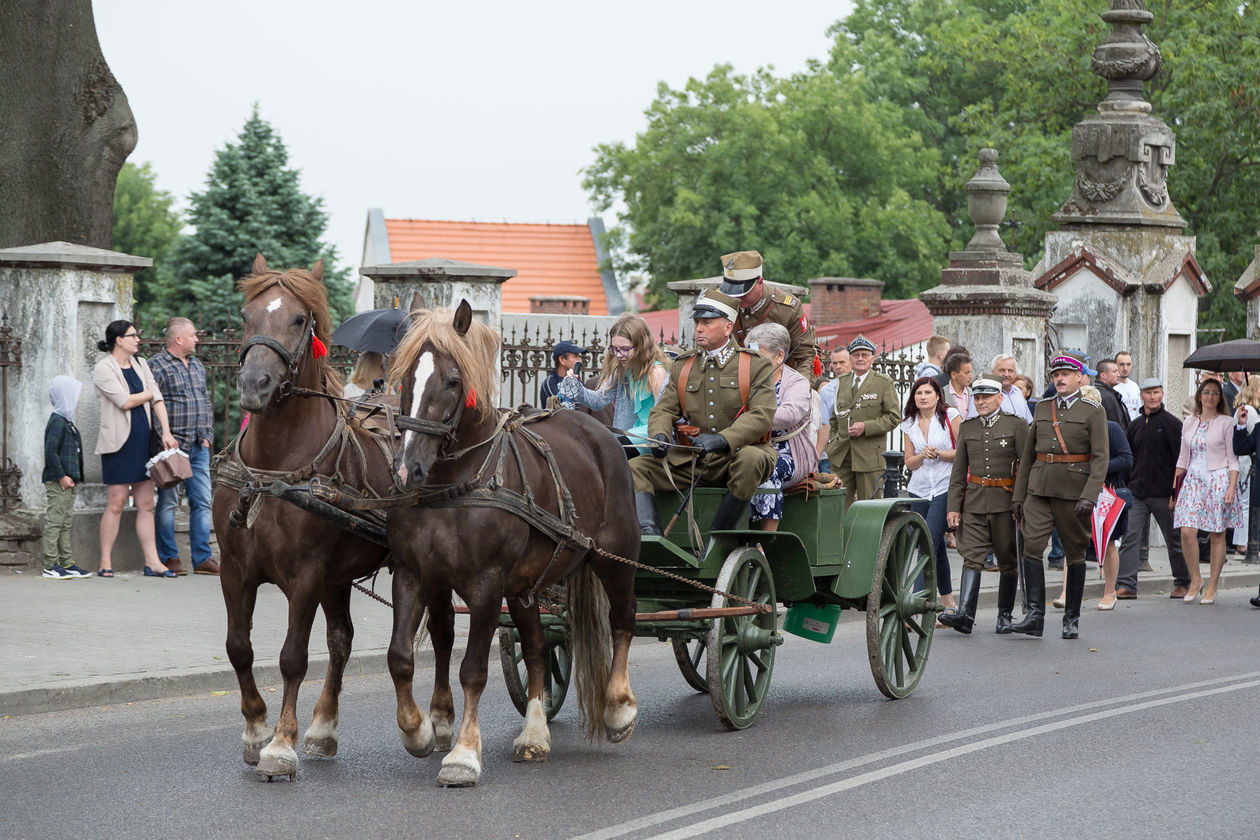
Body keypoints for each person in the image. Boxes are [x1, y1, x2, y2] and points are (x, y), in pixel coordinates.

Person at [632, 290, 776, 536]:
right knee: (636, 466)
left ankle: (718, 539)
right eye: (697, 322)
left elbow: (762, 415)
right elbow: (664, 409)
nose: (699, 328)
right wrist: (660, 436)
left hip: (736, 457)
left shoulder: (755, 364)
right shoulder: (683, 365)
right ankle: (650, 537)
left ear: (728, 327)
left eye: (707, 323)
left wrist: (723, 439)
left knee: (751, 459)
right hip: (692, 460)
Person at [1010, 351, 1109, 640]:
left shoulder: (1093, 410)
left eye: (1065, 374)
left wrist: (1090, 495)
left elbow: (1101, 458)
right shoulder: (1042, 408)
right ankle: (1035, 616)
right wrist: (1019, 496)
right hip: (1039, 490)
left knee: (1075, 553)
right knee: (1030, 547)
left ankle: (1071, 618)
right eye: (1056, 375)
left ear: (1080, 377)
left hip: (1073, 494)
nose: (1060, 378)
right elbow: (1028, 456)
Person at [92, 320, 179, 577]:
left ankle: (153, 562)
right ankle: (105, 562)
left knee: (146, 504)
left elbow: (158, 398)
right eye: (132, 336)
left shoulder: (141, 364)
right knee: (117, 503)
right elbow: (125, 401)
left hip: (145, 443)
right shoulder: (103, 368)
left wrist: (166, 432)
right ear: (118, 340)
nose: (137, 339)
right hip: (118, 444)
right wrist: (149, 393)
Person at [943, 375, 1028, 634]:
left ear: (999, 398)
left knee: (1007, 560)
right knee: (972, 558)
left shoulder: (1016, 425)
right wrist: (953, 507)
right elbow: (959, 472)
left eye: (986, 397)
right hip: (976, 502)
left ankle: (1004, 615)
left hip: (1005, 504)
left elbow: (1026, 468)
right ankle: (966, 615)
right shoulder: (968, 428)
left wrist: (1020, 501)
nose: (980, 402)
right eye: (977, 397)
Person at [148, 317, 220, 576]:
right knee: (168, 503)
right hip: (172, 448)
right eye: (193, 335)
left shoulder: (198, 365)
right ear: (179, 339)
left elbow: (205, 401)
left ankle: (202, 559)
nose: (197, 339)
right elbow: (154, 405)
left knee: (202, 502)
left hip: (199, 445)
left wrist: (208, 434)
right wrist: (164, 436)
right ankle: (169, 557)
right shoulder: (156, 365)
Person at [1052, 386, 1132, 611]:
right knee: (1072, 542)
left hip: (1105, 493)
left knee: (1107, 544)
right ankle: (1067, 592)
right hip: (1075, 492)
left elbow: (1126, 459)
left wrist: (1098, 468)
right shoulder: (1068, 430)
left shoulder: (1111, 428)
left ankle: (1109, 592)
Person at [1116, 378, 1190, 599]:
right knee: (1129, 538)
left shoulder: (1173, 424)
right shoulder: (1135, 425)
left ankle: (1183, 582)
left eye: (1156, 392)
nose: (1152, 397)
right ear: (1141, 396)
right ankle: (1127, 585)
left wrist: (1175, 492)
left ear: (1162, 394)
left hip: (1164, 494)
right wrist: (1128, 485)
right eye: (1148, 393)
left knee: (1175, 539)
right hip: (1137, 492)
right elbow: (1128, 457)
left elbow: (1181, 461)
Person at [1173, 378, 1242, 604]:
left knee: (1217, 533)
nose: (1210, 397)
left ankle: (1212, 585)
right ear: (1199, 396)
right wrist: (1175, 490)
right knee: (1187, 531)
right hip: (1192, 479)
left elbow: (1233, 458)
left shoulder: (1226, 422)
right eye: (1206, 392)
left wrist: (1232, 487)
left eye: (1215, 393)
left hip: (1218, 479)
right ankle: (1196, 579)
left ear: (1220, 398)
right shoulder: (1190, 422)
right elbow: (1183, 458)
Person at [559, 313, 670, 455]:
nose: (618, 355)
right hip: (627, 436)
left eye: (624, 349)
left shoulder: (656, 372)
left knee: (604, 453)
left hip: (652, 436)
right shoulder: (622, 368)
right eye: (614, 349)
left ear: (641, 345)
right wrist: (577, 388)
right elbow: (598, 400)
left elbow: (665, 418)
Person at [745, 323, 817, 530]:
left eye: (759, 355)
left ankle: (765, 541)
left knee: (767, 472)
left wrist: (750, 419)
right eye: (749, 354)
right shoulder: (746, 379)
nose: (751, 361)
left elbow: (789, 415)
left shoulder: (797, 382)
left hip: (787, 454)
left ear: (779, 356)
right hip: (750, 449)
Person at [900, 377, 962, 615]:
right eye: (918, 393)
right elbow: (909, 462)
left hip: (945, 487)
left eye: (928, 392)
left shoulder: (950, 416)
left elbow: (963, 451)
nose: (923, 397)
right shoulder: (909, 423)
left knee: (927, 544)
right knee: (935, 548)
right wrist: (923, 456)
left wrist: (940, 454)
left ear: (938, 396)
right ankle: (949, 604)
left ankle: (915, 605)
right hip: (919, 489)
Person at [719, 250, 820, 379]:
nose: (737, 298)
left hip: (779, 384)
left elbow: (805, 355)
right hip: (733, 381)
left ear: (760, 281)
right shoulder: (721, 303)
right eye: (733, 292)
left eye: (743, 292)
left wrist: (798, 389)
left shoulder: (787, 309)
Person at [825, 335, 901, 502]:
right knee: (837, 506)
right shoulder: (841, 382)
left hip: (868, 456)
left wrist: (866, 427)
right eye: (856, 355)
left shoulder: (883, 383)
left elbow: (894, 417)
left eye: (864, 355)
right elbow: (834, 417)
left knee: (868, 508)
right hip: (841, 454)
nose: (860, 359)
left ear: (872, 358)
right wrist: (834, 440)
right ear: (850, 358)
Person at [42, 375, 89, 579]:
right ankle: (50, 563)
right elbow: (50, 451)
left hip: (69, 481)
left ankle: (66, 561)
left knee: (65, 522)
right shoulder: (57, 422)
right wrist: (61, 476)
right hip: (59, 481)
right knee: (55, 521)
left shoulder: (67, 422)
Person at [1229, 375, 1260, 555]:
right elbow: (1250, 439)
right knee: (1246, 503)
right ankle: (1243, 543)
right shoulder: (1248, 410)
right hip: (1247, 464)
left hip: (1248, 462)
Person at [970, 354, 1033, 423]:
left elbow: (1028, 421)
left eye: (1010, 371)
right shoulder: (982, 394)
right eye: (1002, 370)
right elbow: (973, 423)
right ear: (992, 372)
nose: (1006, 374)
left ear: (1015, 373)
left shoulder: (1018, 392)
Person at [816, 347, 851, 471]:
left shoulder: (864, 385)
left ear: (851, 361)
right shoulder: (827, 391)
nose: (838, 366)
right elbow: (824, 426)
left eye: (842, 362)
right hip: (837, 453)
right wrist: (816, 458)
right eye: (835, 363)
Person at [539, 340, 584, 406]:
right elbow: (561, 407)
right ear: (562, 360)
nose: (579, 360)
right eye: (575, 356)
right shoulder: (550, 382)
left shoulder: (577, 381)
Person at [1093, 359, 1129, 428]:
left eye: (1118, 371)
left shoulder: (1097, 393)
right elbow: (1117, 425)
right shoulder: (1108, 397)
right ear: (1103, 375)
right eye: (1114, 371)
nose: (1118, 375)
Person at [942, 352, 973, 418]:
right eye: (967, 373)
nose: (971, 376)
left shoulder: (973, 393)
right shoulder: (942, 394)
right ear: (954, 375)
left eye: (971, 372)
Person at [1113, 351, 1141, 421]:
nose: (1125, 368)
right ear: (1115, 365)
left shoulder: (1135, 387)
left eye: (1128, 364)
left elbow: (1139, 413)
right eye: (1122, 364)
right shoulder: (1112, 387)